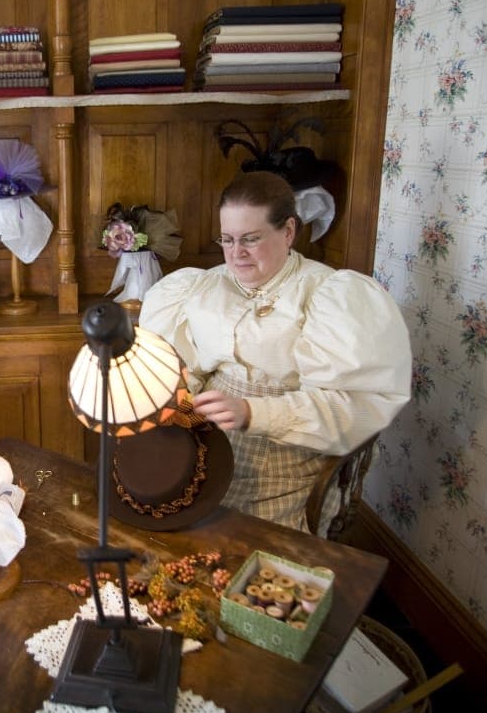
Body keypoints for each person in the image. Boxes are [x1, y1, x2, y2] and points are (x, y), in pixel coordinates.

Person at [139, 171, 411, 534]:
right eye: (227, 239)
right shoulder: (201, 287)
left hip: (288, 452)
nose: (236, 254)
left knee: (243, 549)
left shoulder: (329, 295)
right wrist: (181, 393)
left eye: (251, 239)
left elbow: (351, 408)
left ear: (288, 231)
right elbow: (185, 364)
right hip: (204, 442)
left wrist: (254, 412)